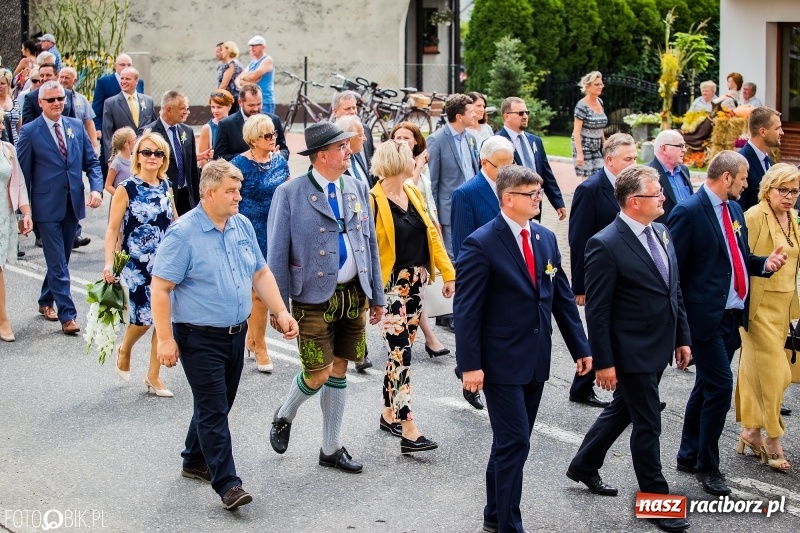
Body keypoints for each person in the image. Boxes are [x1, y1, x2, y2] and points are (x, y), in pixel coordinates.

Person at [151, 159, 298, 510]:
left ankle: (193, 459)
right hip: (197, 337)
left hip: (235, 333)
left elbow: (260, 272)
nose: (238, 197)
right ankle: (228, 483)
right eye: (231, 191)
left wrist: (280, 311)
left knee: (217, 404)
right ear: (209, 193)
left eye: (239, 190)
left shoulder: (241, 225)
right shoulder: (183, 233)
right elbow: (160, 288)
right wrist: (166, 340)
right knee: (214, 408)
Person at [454, 165, 592, 533]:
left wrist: (581, 346)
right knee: (515, 441)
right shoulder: (481, 243)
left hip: (535, 359)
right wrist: (470, 365)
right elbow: (467, 310)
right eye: (531, 194)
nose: (538, 199)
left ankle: (493, 516)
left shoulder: (545, 238)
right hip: (497, 362)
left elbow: (560, 296)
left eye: (539, 192)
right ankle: (509, 526)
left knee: (510, 443)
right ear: (508, 198)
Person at [566, 165, 692, 533]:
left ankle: (584, 464)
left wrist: (682, 337)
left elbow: (674, 290)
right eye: (657, 194)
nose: (664, 198)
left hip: (660, 344)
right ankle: (657, 502)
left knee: (624, 410)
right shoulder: (605, 243)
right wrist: (604, 363)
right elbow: (599, 311)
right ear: (635, 202)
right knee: (648, 422)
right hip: (630, 351)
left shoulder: (663, 232)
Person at [267, 122, 385, 473]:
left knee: (339, 368)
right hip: (312, 297)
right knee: (316, 374)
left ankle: (331, 447)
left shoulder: (358, 187)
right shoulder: (290, 193)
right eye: (342, 147)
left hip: (353, 295)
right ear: (322, 155)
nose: (349, 151)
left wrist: (376, 293)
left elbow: (369, 244)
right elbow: (276, 254)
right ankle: (284, 414)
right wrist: (278, 308)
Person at [669, 150, 787, 496]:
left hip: (732, 316)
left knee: (706, 385)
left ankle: (688, 453)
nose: (747, 183)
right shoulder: (688, 212)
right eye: (744, 177)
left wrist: (764, 264)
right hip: (703, 318)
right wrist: (680, 326)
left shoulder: (734, 209)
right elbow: (674, 270)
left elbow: (738, 257)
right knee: (720, 386)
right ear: (726, 178)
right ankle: (708, 465)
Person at [370, 140, 455, 453]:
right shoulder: (374, 201)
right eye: (410, 156)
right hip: (390, 287)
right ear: (396, 161)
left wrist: (448, 272)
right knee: (400, 354)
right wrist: (372, 297)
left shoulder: (413, 192)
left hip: (415, 283)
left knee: (399, 354)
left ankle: (387, 412)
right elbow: (368, 253)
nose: (416, 159)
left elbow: (432, 234)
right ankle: (409, 428)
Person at [16, 81, 104, 334]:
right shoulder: (30, 132)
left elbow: (92, 162)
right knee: (57, 262)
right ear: (40, 103)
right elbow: (23, 175)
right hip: (45, 207)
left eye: (60, 99)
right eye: (51, 99)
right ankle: (68, 315)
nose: (57, 103)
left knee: (61, 259)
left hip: (72, 205)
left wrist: (96, 189)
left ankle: (46, 300)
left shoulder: (75, 126)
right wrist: (24, 213)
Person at [735, 163, 800, 473]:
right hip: (757, 306)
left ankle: (751, 431)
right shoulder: (753, 216)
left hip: (784, 308)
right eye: (783, 190)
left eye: (794, 191)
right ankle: (773, 438)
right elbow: (739, 260)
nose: (789, 197)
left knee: (755, 371)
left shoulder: (792, 219)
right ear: (768, 189)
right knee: (776, 374)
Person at [103, 131, 178, 396]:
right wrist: (109, 263)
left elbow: (175, 222)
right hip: (136, 264)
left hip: (165, 263)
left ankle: (153, 376)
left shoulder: (166, 186)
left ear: (164, 158)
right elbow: (112, 230)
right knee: (143, 320)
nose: (152, 158)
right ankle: (125, 348)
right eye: (146, 152)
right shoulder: (126, 189)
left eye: (158, 153)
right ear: (137, 156)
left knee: (163, 319)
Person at [230, 114, 290, 374]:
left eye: (274, 134)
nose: (272, 138)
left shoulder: (280, 161)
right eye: (267, 135)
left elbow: (288, 193)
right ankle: (260, 344)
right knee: (257, 292)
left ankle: (253, 339)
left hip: (275, 228)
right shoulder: (239, 164)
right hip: (248, 229)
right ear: (253, 140)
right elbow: (230, 196)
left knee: (264, 288)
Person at [391, 120, 450, 359]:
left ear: (416, 141)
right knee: (411, 289)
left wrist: (436, 225)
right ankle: (427, 338)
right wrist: (416, 165)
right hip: (407, 235)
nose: (402, 141)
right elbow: (407, 188)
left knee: (419, 289)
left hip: (425, 227)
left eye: (406, 138)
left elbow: (428, 199)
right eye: (397, 137)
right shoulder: (403, 167)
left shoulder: (421, 166)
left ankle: (419, 335)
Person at [427, 93, 480, 259]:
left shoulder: (471, 138)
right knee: (454, 258)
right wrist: (435, 218)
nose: (475, 114)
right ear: (459, 116)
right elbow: (432, 183)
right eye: (471, 111)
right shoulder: (436, 140)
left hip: (472, 206)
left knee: (473, 254)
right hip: (450, 211)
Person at [497, 96, 566, 222]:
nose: (525, 116)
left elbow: (546, 173)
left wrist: (558, 202)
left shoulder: (535, 141)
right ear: (506, 116)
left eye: (526, 112)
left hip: (533, 205)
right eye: (520, 113)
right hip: (512, 208)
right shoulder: (497, 142)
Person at [140, 91, 204, 215]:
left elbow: (192, 169)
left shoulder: (187, 131)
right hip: (162, 195)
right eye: (182, 109)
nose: (187, 112)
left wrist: (197, 199)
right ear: (169, 110)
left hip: (187, 197)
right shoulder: (149, 133)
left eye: (187, 108)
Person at [0, 111, 33, 341]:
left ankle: (3, 319)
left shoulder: (8, 150)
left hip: (3, 216)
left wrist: (26, 214)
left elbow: (19, 182)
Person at [214, 83, 288, 161]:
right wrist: (248, 157)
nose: (256, 109)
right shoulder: (226, 124)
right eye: (251, 105)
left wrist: (279, 155)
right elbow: (218, 157)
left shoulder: (274, 120)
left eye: (259, 104)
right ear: (240, 102)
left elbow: (284, 150)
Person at [101, 67, 155, 160]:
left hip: (146, 155)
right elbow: (107, 134)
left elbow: (154, 127)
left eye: (127, 79)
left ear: (136, 80)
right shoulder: (110, 103)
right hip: (123, 157)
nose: (123, 81)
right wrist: (110, 159)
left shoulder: (148, 101)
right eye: (122, 78)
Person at [737, 107, 784, 212]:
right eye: (777, 128)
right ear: (763, 132)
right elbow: (739, 208)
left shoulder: (767, 160)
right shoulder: (741, 162)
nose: (782, 132)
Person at [650, 130, 693, 224]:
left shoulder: (684, 170)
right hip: (666, 233)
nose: (685, 150)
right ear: (664, 149)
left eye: (684, 146)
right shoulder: (648, 173)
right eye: (680, 146)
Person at [572, 71, 607, 179]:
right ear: (587, 87)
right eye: (596, 84)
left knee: (599, 175)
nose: (600, 86)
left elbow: (600, 127)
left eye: (601, 84)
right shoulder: (582, 105)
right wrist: (579, 153)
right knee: (587, 179)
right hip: (583, 145)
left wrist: (605, 144)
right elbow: (576, 130)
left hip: (596, 145)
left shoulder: (600, 102)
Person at [58, 67, 99, 153]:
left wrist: (95, 146)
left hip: (78, 142)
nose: (63, 80)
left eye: (67, 77)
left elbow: (89, 123)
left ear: (75, 81)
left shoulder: (82, 99)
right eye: (61, 77)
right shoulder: (54, 99)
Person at [331, 90, 373, 166]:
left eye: (354, 108)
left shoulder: (365, 129)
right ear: (335, 112)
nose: (352, 112)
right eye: (347, 109)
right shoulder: (332, 136)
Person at [235, 36, 275, 114]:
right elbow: (237, 80)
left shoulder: (267, 60)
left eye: (255, 45)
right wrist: (249, 81)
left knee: (263, 126)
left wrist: (245, 79)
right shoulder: (253, 62)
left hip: (264, 102)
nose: (252, 48)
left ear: (263, 47)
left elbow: (252, 76)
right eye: (251, 46)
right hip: (250, 102)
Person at [198, 90, 233, 168]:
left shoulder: (237, 124)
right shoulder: (207, 128)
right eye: (212, 107)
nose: (215, 111)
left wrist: (218, 154)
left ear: (229, 106)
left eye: (219, 107)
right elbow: (203, 160)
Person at [103, 126, 135, 196]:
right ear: (126, 144)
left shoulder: (134, 159)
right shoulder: (117, 163)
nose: (136, 142)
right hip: (121, 202)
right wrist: (120, 197)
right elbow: (108, 186)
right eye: (134, 140)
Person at [216, 41, 242, 115]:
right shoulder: (226, 64)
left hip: (232, 98)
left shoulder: (231, 63)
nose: (222, 52)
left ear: (228, 50)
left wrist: (215, 95)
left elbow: (224, 83)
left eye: (223, 50)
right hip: (228, 97)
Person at [0, 70, 20, 146]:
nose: (0, 86)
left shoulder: (15, 102)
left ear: (8, 84)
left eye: (2, 83)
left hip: (15, 143)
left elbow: (19, 127)